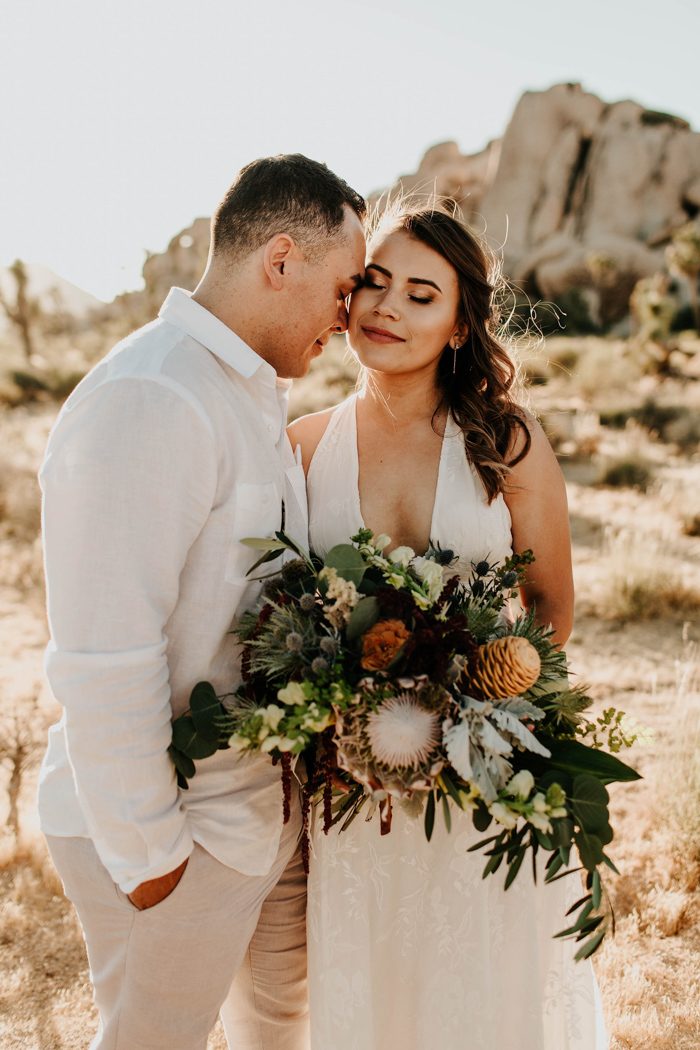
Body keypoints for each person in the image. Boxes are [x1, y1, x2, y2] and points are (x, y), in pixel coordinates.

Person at [38, 153, 366, 1050]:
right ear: (281, 259)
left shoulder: (248, 394)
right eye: (342, 289)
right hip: (173, 831)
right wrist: (152, 863)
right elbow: (105, 654)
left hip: (256, 816)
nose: (349, 319)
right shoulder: (153, 396)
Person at [288, 202, 608, 1049]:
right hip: (351, 782)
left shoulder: (502, 441)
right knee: (373, 982)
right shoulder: (302, 445)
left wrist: (481, 710)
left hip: (484, 774)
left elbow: (551, 607)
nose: (386, 307)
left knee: (482, 989)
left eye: (421, 295)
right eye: (375, 283)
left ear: (461, 323)